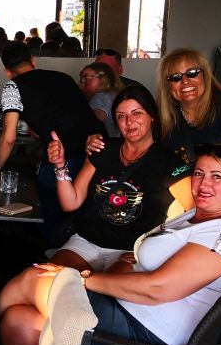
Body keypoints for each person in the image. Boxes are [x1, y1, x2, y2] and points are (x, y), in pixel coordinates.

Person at [0, 143, 221, 345]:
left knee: (36, 278)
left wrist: (84, 280)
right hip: (126, 320)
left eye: (217, 176)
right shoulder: (197, 216)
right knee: (18, 323)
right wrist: (127, 264)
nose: (203, 183)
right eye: (199, 173)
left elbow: (157, 288)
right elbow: (151, 260)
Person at [89, 47, 221, 233]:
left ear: (205, 75)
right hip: (190, 212)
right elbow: (137, 143)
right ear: (168, 86)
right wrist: (97, 141)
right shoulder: (165, 119)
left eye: (192, 73)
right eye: (175, 77)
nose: (185, 82)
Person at [44, 86, 193, 275]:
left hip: (131, 250)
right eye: (121, 116)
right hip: (87, 241)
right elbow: (70, 203)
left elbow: (194, 214)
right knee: (49, 280)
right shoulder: (102, 149)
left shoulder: (170, 163)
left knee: (100, 290)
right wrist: (59, 165)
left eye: (137, 113)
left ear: (152, 116)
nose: (129, 122)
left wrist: (157, 250)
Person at [0, 42, 104, 242]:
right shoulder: (63, 77)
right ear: (32, 60)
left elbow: (9, 137)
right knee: (86, 213)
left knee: (49, 214)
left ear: (7, 72)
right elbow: (70, 113)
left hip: (61, 156)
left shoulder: (12, 86)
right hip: (97, 151)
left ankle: (51, 251)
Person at [79, 62, 126, 137]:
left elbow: (92, 126)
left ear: (103, 79)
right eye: (81, 80)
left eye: (85, 79)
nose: (81, 86)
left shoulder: (101, 97)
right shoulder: (114, 95)